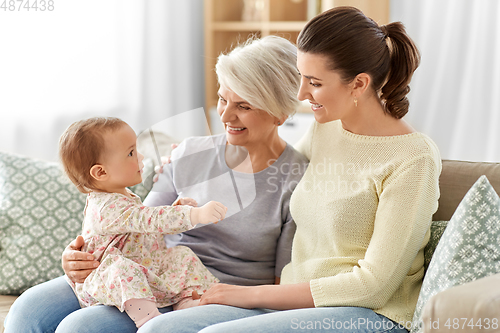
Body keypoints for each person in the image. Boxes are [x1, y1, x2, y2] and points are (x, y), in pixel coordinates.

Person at [136, 6, 442, 332]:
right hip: (293, 302)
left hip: (371, 313)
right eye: (301, 77)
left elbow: (374, 285)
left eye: (314, 82)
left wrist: (250, 295)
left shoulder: (413, 159)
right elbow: (275, 164)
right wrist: (182, 164)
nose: (300, 95)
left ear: (358, 84)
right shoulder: (327, 130)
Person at [4, 35, 309, 333]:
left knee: (82, 327)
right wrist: (78, 256)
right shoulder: (190, 152)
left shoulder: (296, 179)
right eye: (222, 98)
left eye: (243, 106)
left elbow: (285, 279)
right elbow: (134, 224)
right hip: (149, 268)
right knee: (29, 308)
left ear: (279, 112)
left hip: (217, 292)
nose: (226, 115)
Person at [58, 117, 226, 328]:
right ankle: (149, 321)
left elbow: (142, 226)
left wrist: (174, 209)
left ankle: (188, 301)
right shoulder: (107, 206)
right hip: (108, 280)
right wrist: (194, 215)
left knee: (181, 255)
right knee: (122, 270)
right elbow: (150, 220)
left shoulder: (120, 195)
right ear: (101, 172)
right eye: (131, 153)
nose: (141, 156)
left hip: (144, 266)